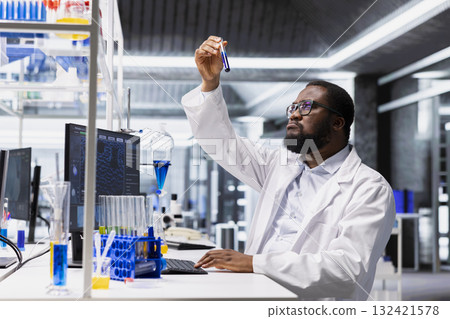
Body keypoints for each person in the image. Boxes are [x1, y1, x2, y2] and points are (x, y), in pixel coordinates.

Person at [181, 36, 395, 300]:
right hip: (256, 293)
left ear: (337, 123)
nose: (294, 114)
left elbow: (346, 270)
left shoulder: (368, 188)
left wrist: (252, 263)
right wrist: (210, 84)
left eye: (306, 107)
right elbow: (221, 143)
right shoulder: (281, 166)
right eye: (292, 107)